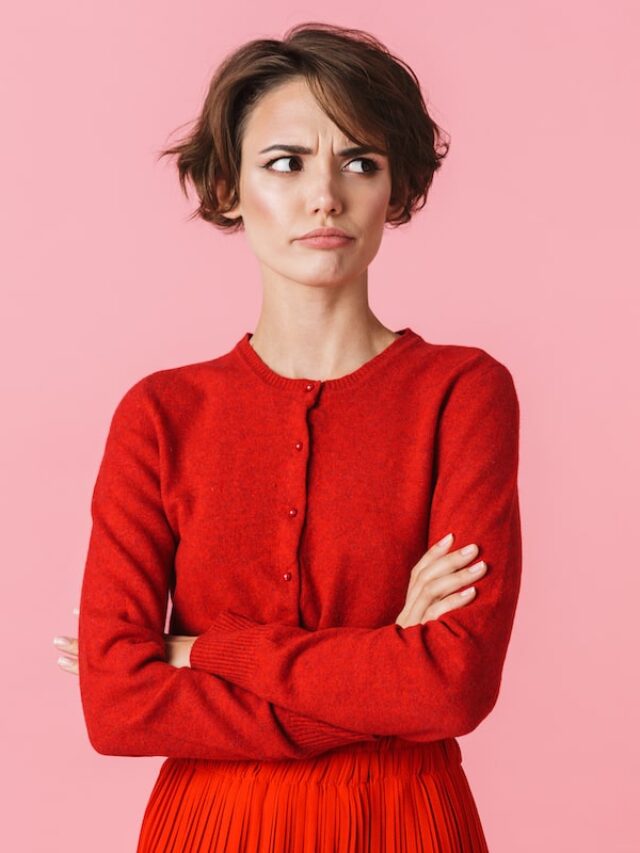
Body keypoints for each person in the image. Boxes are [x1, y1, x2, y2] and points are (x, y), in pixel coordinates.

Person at [53, 22, 522, 851]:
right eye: (286, 162)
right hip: (210, 826)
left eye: (360, 163)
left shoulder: (462, 392)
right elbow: (118, 705)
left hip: (405, 821)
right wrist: (380, 662)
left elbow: (448, 689)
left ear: (397, 188)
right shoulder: (161, 414)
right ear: (228, 187)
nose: (324, 196)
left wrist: (208, 651)